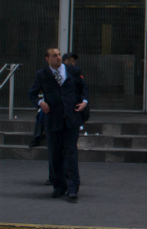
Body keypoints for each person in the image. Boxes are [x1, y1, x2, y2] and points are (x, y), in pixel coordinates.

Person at [28, 48, 88, 202]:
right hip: (53, 118)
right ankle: (59, 186)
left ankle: (73, 187)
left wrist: (84, 102)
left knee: (70, 153)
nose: (58, 58)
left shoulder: (72, 71)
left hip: (70, 118)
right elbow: (32, 94)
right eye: (54, 56)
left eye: (59, 55)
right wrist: (41, 103)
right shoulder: (42, 75)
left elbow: (83, 88)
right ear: (47, 58)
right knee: (55, 154)